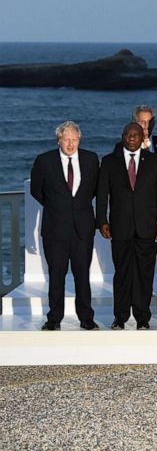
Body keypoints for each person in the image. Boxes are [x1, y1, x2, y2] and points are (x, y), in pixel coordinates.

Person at [97, 123, 157, 330]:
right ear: (123, 137)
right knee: (121, 274)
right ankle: (120, 317)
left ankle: (142, 318)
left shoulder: (155, 161)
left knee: (145, 275)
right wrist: (102, 220)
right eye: (128, 135)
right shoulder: (109, 162)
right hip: (119, 228)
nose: (131, 138)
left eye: (135, 135)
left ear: (141, 138)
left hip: (147, 227)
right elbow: (102, 195)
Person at [30, 121, 100, 331]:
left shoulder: (90, 159)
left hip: (83, 228)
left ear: (79, 139)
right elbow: (36, 190)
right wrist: (57, 206)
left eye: (74, 140)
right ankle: (54, 319)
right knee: (56, 276)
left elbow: (95, 188)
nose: (71, 144)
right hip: (55, 229)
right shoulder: (45, 160)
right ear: (59, 140)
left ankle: (86, 318)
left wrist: (76, 207)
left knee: (82, 276)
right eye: (66, 139)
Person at [129, 105, 157, 297]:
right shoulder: (123, 145)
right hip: (136, 214)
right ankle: (138, 294)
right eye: (141, 122)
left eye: (149, 122)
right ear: (134, 122)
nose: (145, 126)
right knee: (137, 258)